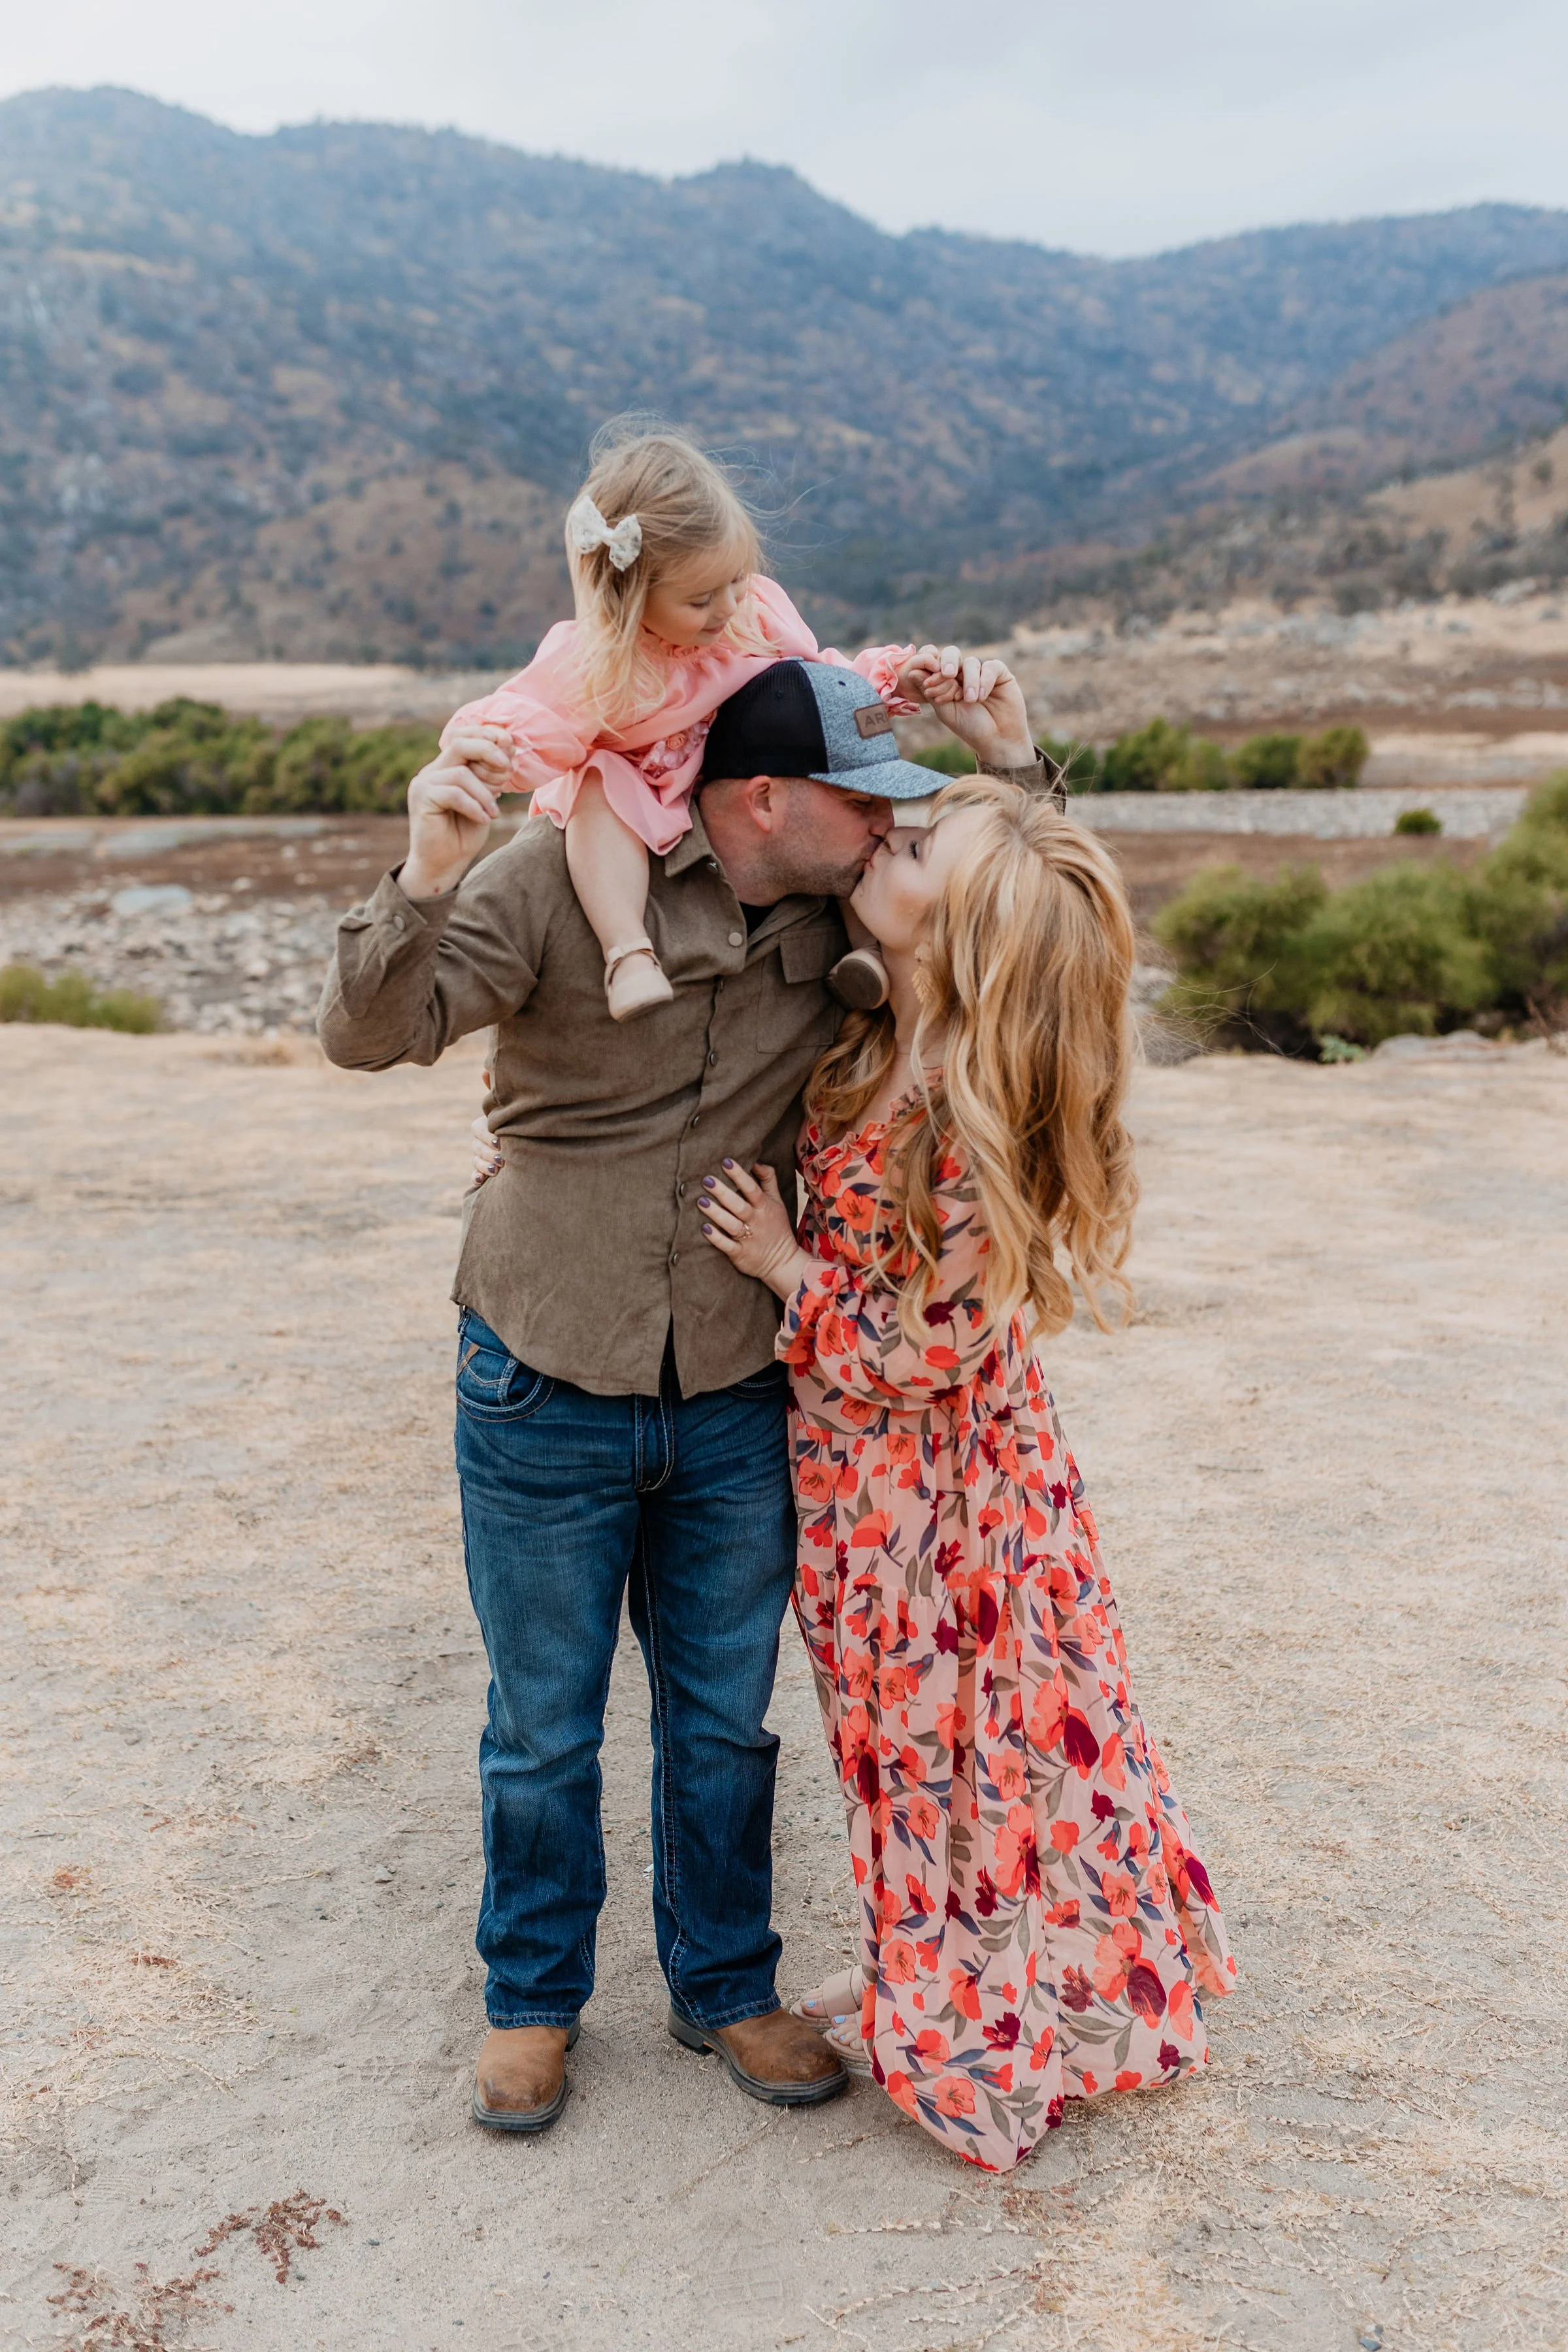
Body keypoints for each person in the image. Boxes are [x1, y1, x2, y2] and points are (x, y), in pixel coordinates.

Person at [317, 636, 1054, 2136]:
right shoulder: (545, 883)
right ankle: (530, 1999)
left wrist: (1017, 760)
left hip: (731, 1389)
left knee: (722, 1719)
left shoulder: (842, 921)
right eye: (868, 805)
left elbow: (1036, 931)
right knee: (543, 1720)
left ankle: (724, 1981)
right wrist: (423, 871)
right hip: (541, 1369)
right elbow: (371, 1033)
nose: (894, 830)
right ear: (763, 795)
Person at [696, 755, 1237, 2173]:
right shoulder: (893, 1034)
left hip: (947, 1507)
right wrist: (1002, 744)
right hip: (875, 1493)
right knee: (911, 1760)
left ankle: (975, 2011)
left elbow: (911, 1349)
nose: (888, 837)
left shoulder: (970, 1097)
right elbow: (1018, 854)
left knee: (964, 1762)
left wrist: (779, 1266)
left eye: (919, 841)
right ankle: (933, 1965)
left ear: (965, 919)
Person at [440, 423, 925, 1019]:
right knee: (598, 787)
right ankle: (627, 953)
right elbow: (537, 714)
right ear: (630, 595)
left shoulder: (753, 615)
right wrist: (491, 749)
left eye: (736, 581)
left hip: (728, 775)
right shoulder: (597, 665)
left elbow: (818, 680)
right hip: (643, 781)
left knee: (845, 813)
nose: (726, 608)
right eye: (700, 600)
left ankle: (867, 950)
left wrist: (890, 681)